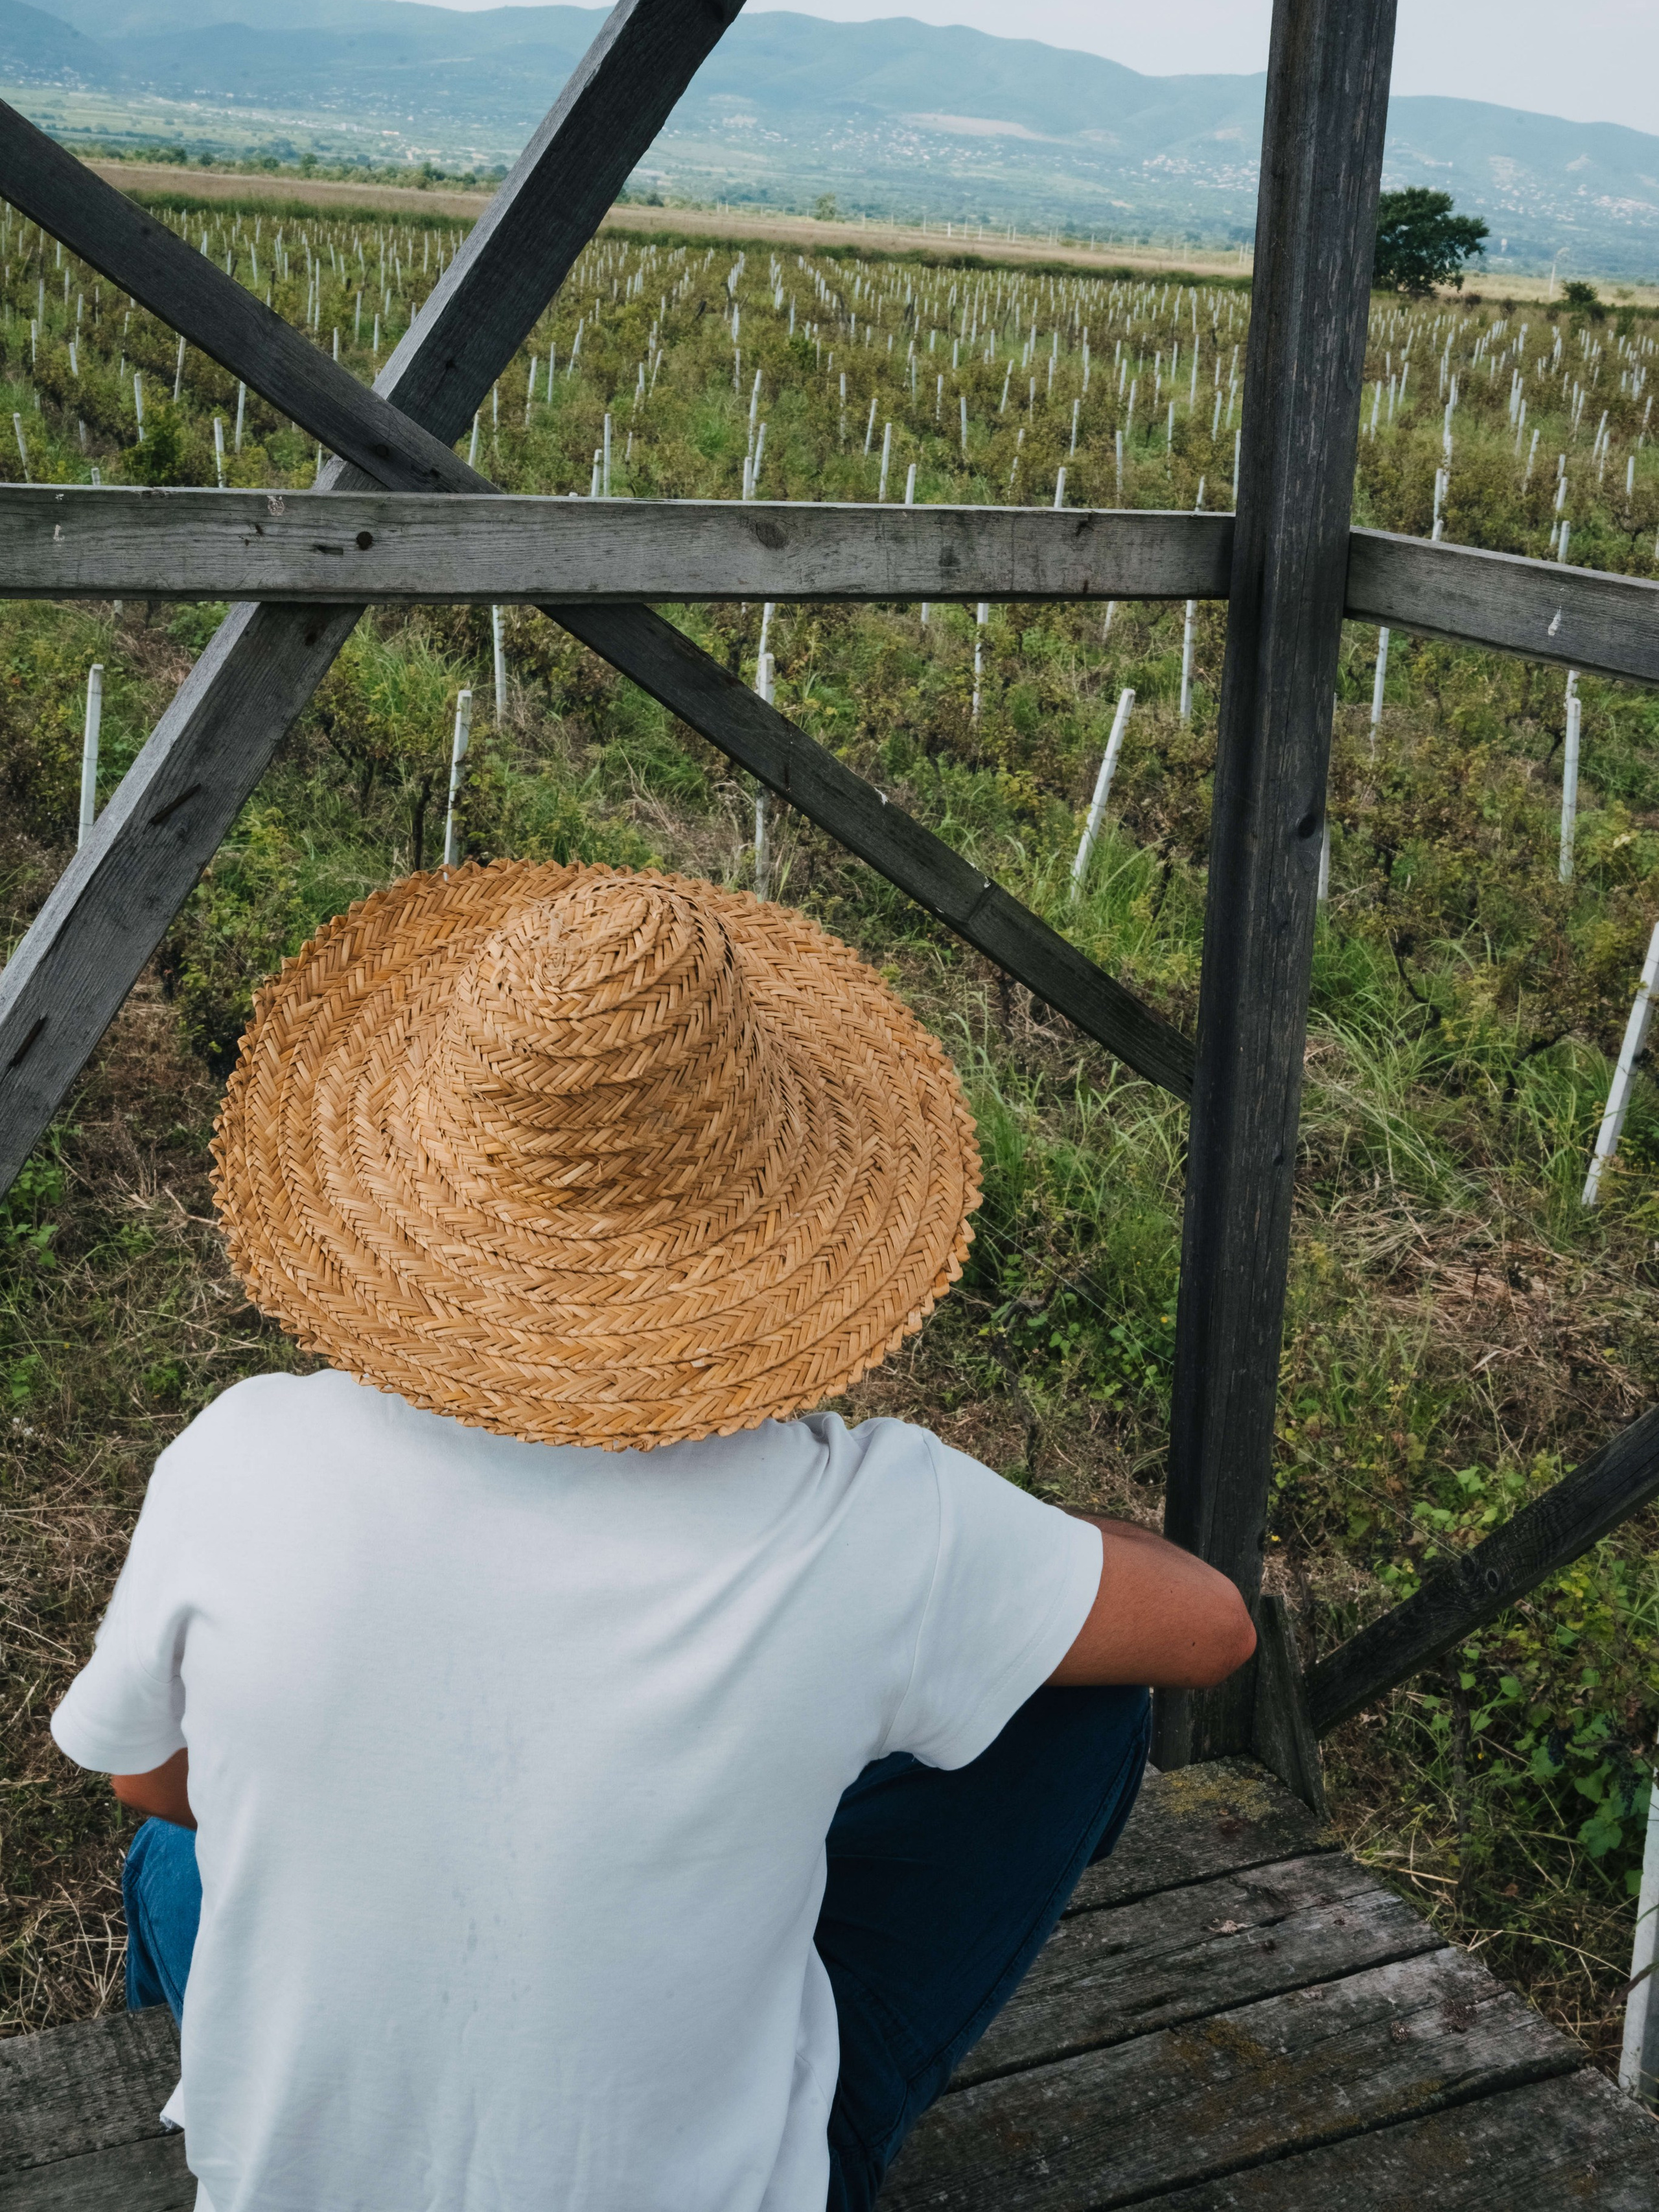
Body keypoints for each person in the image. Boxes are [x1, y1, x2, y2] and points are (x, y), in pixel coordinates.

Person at [52, 862, 1253, 2212]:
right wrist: (1001, 1548)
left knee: (175, 1852)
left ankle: (227, 2096)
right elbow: (1208, 1627)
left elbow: (151, 1781)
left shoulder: (241, 1452)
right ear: (788, 1213)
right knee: (1077, 1697)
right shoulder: (867, 1516)